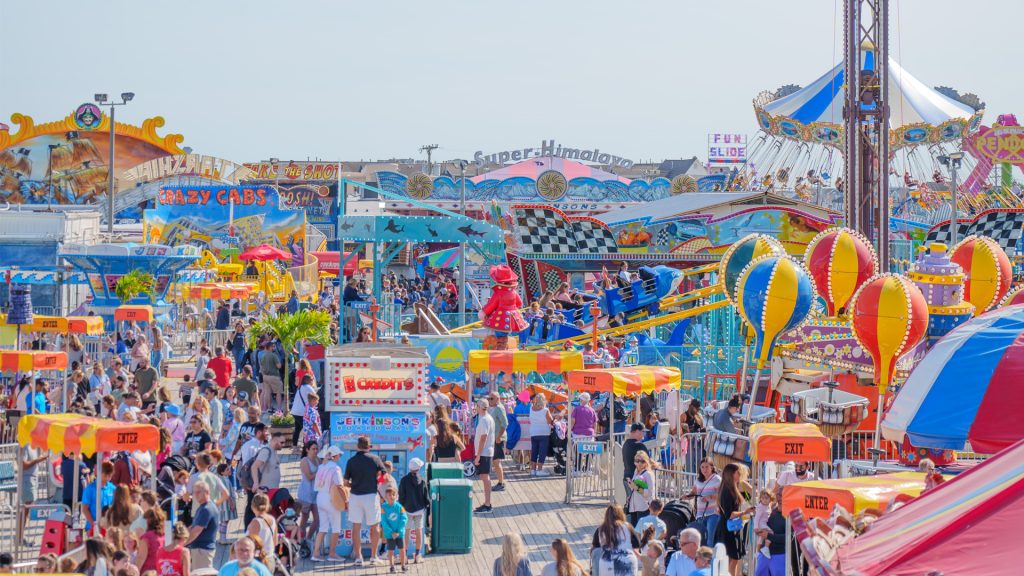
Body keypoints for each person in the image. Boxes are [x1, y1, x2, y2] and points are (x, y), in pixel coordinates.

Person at [345, 436, 386, 566]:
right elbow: (384, 475)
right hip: (371, 496)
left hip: (355, 496)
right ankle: (374, 557)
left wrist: (354, 485)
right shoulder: (375, 459)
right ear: (369, 446)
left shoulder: (351, 461)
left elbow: (346, 482)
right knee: (375, 527)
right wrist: (377, 483)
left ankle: (358, 557)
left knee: (356, 527)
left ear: (358, 446)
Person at [715, 463, 751, 576]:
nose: (740, 474)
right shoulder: (727, 491)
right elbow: (729, 514)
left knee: (734, 558)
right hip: (727, 529)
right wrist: (745, 512)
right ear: (731, 474)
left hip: (730, 528)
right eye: (737, 472)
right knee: (732, 557)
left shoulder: (731, 488)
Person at [312, 444, 346, 562]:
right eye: (339, 455)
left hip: (320, 497)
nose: (340, 457)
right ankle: (332, 554)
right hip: (331, 498)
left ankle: (315, 553)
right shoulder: (335, 468)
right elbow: (340, 486)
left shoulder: (322, 467)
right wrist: (346, 501)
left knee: (323, 527)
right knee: (336, 527)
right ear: (335, 456)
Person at [247, 433, 284, 526]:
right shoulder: (266, 451)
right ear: (275, 441)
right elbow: (254, 467)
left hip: (272, 491)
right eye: (282, 442)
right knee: (264, 517)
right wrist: (256, 483)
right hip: (265, 490)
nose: (283, 445)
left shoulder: (273, 451)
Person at [398, 458, 428, 564]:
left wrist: (401, 508)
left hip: (407, 510)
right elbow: (426, 497)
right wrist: (425, 506)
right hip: (419, 510)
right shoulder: (422, 481)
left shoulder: (404, 480)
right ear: (418, 468)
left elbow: (401, 496)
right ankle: (417, 555)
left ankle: (404, 555)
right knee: (418, 530)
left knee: (406, 531)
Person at [593, 505, 638, 576]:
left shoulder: (601, 529)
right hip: (627, 561)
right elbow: (636, 544)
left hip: (607, 563)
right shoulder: (628, 526)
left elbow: (595, 546)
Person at [185, 481, 219, 570]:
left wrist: (181, 544)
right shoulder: (203, 507)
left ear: (207, 492)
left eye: (198, 492)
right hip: (201, 550)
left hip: (202, 550)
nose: (195, 495)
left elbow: (196, 531)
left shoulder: (206, 509)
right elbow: (193, 526)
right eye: (194, 492)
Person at [689, 458, 721, 546]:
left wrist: (710, 497)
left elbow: (722, 494)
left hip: (713, 513)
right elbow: (694, 493)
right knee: (701, 539)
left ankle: (709, 558)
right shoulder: (698, 480)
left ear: (712, 467)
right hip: (700, 514)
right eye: (702, 467)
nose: (704, 469)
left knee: (710, 540)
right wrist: (687, 496)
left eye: (707, 467)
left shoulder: (717, 479)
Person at [246, 494, 279, 574]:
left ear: (253, 506)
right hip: (270, 559)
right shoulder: (272, 519)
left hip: (259, 561)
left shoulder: (256, 522)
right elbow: (275, 542)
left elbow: (249, 544)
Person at [473, 399, 496, 513]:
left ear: (479, 407)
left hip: (484, 452)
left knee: (485, 477)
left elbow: (483, 437)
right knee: (484, 477)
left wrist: (478, 455)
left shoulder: (484, 420)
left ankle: (487, 504)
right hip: (486, 451)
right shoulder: (487, 418)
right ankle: (487, 503)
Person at [754, 498, 787, 576]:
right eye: (778, 496)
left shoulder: (790, 516)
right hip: (764, 555)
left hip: (779, 555)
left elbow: (789, 537)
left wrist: (769, 536)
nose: (780, 498)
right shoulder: (770, 511)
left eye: (782, 496)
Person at [380, 486, 409, 573]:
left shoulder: (400, 507)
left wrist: (398, 531)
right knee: (390, 551)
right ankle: (392, 567)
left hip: (399, 534)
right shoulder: (383, 507)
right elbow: (383, 521)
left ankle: (403, 566)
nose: (390, 497)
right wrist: (391, 532)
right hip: (390, 535)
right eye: (388, 495)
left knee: (402, 550)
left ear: (395, 496)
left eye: (392, 495)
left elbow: (404, 519)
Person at [81, 461, 115, 533]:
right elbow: (84, 509)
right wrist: (93, 525)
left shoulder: (112, 488)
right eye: (105, 474)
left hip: (108, 528)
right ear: (99, 473)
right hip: (92, 528)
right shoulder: (89, 489)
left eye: (109, 475)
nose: (108, 477)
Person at [297, 440, 320, 543]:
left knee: (317, 519)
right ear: (307, 450)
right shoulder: (304, 461)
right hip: (305, 493)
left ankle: (308, 538)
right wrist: (320, 471)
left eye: (316, 449)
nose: (315, 451)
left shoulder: (318, 459)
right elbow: (309, 476)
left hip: (316, 493)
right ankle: (301, 540)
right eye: (313, 449)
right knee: (304, 519)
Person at [628, 451, 657, 526]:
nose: (639, 463)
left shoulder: (648, 474)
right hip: (634, 506)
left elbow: (649, 493)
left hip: (644, 507)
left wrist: (635, 487)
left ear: (646, 462)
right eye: (637, 461)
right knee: (635, 530)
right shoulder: (636, 471)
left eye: (642, 461)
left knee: (642, 531)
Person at [488, 391, 509, 491]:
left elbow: (505, 423)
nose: (489, 400)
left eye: (491, 399)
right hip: (495, 437)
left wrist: (499, 436)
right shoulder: (495, 408)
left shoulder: (499, 408)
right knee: (496, 461)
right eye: (489, 398)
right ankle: (500, 482)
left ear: (497, 399)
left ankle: (501, 483)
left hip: (498, 438)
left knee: (496, 461)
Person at [529, 394, 553, 477]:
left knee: (534, 451)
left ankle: (533, 469)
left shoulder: (531, 409)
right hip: (544, 433)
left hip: (533, 432)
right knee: (542, 452)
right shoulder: (545, 410)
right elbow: (550, 421)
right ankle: (539, 470)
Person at [135, 508, 166, 573]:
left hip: (148, 571)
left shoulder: (146, 537)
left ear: (148, 521)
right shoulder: (165, 535)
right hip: (161, 570)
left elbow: (141, 557)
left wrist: (135, 573)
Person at [622, 422, 651, 487]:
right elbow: (648, 463)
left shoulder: (625, 444)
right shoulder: (640, 445)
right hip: (638, 481)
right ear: (637, 431)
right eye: (643, 431)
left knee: (630, 497)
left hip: (627, 479)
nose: (644, 434)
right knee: (646, 495)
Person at [290, 374, 316, 446]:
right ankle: (306, 447)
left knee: (297, 429)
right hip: (301, 412)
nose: (313, 382)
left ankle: (295, 446)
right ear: (308, 380)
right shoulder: (308, 387)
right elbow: (315, 396)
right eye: (312, 380)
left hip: (295, 411)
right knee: (306, 429)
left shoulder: (300, 387)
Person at [258, 343, 283, 412]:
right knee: (278, 392)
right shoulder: (274, 356)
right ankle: (279, 409)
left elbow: (261, 367)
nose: (274, 348)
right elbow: (279, 366)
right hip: (274, 376)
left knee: (267, 392)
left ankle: (268, 408)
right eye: (273, 346)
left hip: (265, 376)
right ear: (270, 347)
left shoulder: (263, 356)